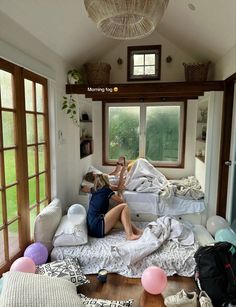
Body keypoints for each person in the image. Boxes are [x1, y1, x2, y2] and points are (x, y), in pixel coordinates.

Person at [81, 173, 142, 240]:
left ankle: (136, 231)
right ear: (107, 182)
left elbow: (83, 188)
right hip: (98, 225)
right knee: (124, 206)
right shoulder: (106, 191)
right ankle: (129, 235)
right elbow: (122, 202)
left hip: (92, 228)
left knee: (121, 215)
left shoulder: (95, 190)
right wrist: (120, 193)